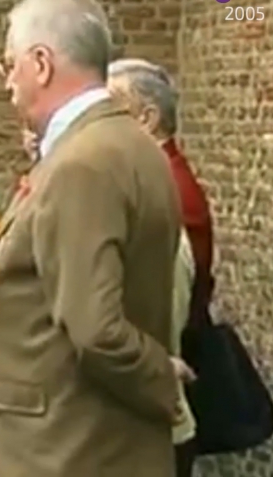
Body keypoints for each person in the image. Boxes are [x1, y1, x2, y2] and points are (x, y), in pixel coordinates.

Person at [0, 0, 187, 477]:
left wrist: (161, 376)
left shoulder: (82, 163)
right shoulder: (130, 143)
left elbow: (97, 329)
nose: (7, 84)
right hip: (97, 440)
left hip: (66, 449)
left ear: (41, 63)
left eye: (10, 65)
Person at [108, 58, 213, 476]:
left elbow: (166, 304)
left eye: (113, 112)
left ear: (147, 118)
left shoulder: (165, 191)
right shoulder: (150, 179)